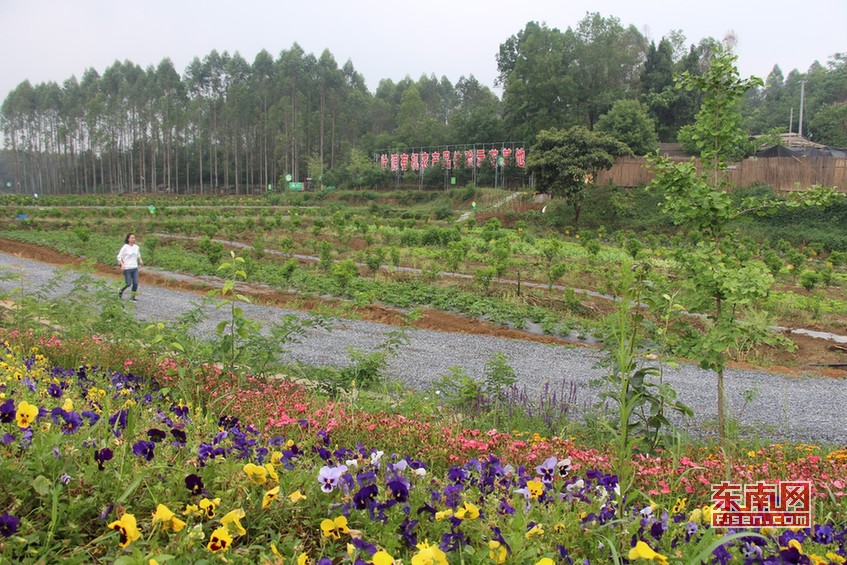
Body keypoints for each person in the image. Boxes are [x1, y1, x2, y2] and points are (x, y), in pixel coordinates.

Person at [117, 233, 143, 301]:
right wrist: (122, 264)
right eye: (132, 238)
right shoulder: (125, 247)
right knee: (128, 284)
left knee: (135, 283)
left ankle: (132, 297)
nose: (133, 239)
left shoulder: (136, 247)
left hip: (134, 268)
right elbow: (119, 256)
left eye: (134, 238)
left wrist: (140, 260)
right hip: (127, 268)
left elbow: (138, 254)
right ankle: (120, 291)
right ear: (128, 239)